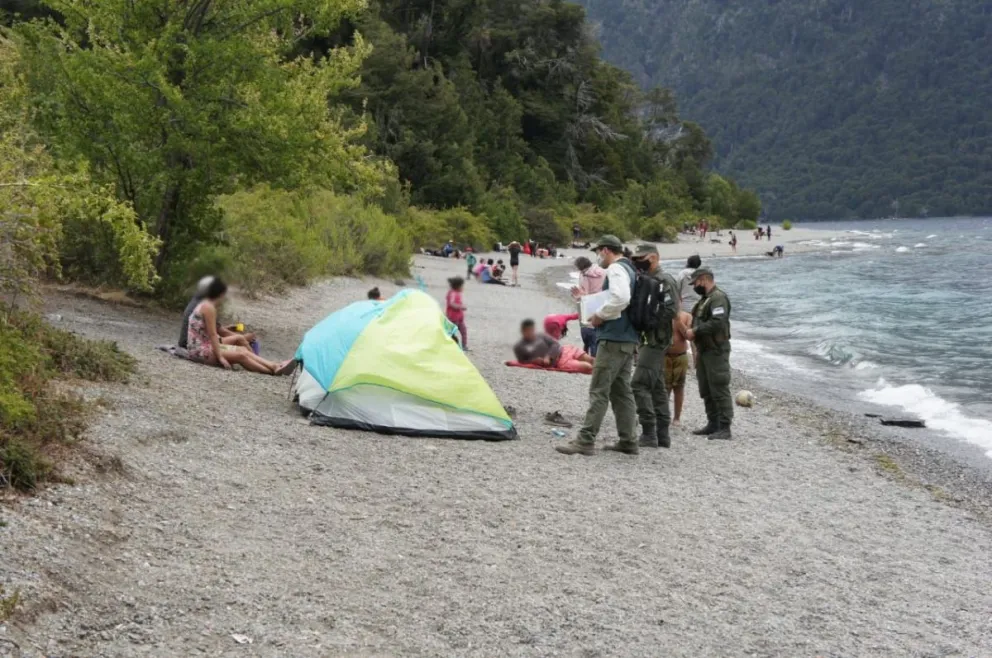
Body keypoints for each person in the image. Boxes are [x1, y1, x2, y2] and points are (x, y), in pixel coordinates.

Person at [557, 235, 639, 456]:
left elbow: (621, 298)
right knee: (621, 392)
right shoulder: (631, 269)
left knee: (599, 389)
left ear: (605, 250)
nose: (598, 258)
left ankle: (585, 440)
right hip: (628, 339)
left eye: (598, 253)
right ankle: (628, 440)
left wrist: (599, 316)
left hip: (613, 338)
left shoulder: (615, 269)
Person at [187, 278, 294, 375]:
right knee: (241, 356)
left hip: (206, 346)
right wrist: (220, 357)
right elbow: (213, 334)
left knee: (242, 349)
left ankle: (274, 365)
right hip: (200, 351)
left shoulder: (205, 304)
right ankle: (272, 371)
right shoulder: (208, 307)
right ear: (220, 293)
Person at [630, 244, 681, 449]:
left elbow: (671, 310)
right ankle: (662, 434)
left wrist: (649, 320)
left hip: (655, 340)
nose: (637, 262)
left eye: (641, 258)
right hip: (649, 338)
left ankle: (649, 431)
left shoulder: (664, 280)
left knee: (639, 384)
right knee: (658, 387)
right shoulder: (648, 279)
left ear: (653, 258)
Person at [686, 267, 733, 440]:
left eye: (696, 282)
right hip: (704, 349)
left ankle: (725, 426)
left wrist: (696, 331)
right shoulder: (705, 300)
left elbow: (718, 323)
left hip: (716, 350)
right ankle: (713, 422)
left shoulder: (718, 298)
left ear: (705, 279)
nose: (695, 286)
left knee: (719, 386)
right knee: (706, 388)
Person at [179, 276, 254, 351]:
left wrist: (227, 328)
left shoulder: (197, 300)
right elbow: (220, 332)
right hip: (193, 344)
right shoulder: (207, 305)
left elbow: (209, 328)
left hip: (186, 341)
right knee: (241, 343)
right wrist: (245, 338)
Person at [514, 319, 593, 374]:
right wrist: (537, 360)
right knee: (587, 367)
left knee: (590, 359)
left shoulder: (540, 336)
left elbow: (555, 344)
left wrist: (548, 356)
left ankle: (604, 369)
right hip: (560, 361)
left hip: (565, 350)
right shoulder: (521, 347)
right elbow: (525, 360)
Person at [570, 256, 606, 356]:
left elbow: (583, 294)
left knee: (587, 332)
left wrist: (578, 297)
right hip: (601, 304)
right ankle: (593, 356)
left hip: (588, 306)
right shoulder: (602, 271)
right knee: (596, 335)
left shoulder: (584, 275)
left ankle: (588, 355)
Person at [666, 309, 693, 427]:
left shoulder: (686, 316)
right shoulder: (663, 314)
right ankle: (663, 414)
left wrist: (678, 320)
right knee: (664, 387)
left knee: (679, 387)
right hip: (664, 356)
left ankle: (677, 417)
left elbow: (688, 336)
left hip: (681, 355)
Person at [446, 277, 468, 349]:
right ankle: (450, 345)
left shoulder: (457, 293)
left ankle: (464, 346)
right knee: (452, 332)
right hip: (453, 317)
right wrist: (461, 307)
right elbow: (451, 303)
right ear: (458, 286)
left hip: (459, 317)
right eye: (462, 286)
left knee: (464, 331)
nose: (463, 288)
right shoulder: (453, 293)